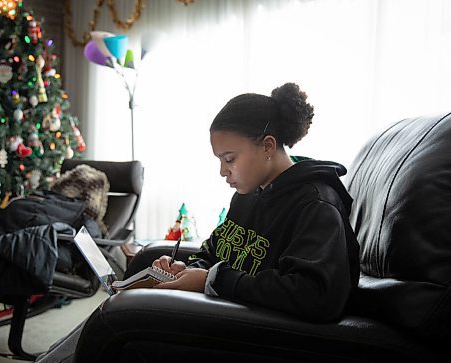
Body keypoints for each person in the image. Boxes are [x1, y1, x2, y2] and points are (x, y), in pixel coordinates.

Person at [153, 82, 360, 321]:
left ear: (267, 146)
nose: (223, 171)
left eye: (229, 159)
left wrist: (214, 280)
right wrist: (185, 269)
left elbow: (313, 295)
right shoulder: (247, 195)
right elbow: (214, 251)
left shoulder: (316, 204)